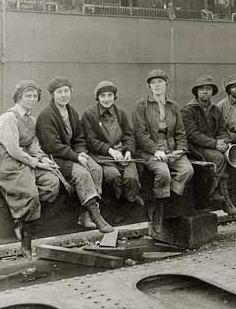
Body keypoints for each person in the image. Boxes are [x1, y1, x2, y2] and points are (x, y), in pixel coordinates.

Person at [0, 80, 60, 258]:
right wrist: (37, 163)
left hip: (25, 158)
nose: (32, 99)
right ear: (19, 97)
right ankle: (25, 238)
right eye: (28, 96)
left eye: (35, 96)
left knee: (52, 183)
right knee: (30, 193)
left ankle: (23, 217)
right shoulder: (8, 118)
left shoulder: (30, 118)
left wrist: (43, 159)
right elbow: (13, 150)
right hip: (7, 162)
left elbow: (33, 144)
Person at [36, 77, 113, 233]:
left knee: (96, 168)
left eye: (66, 91)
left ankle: (85, 215)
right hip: (56, 158)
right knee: (82, 174)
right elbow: (53, 146)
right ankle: (97, 217)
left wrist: (82, 153)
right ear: (52, 94)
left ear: (71, 92)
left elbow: (79, 138)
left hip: (72, 155)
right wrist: (77, 158)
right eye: (59, 92)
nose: (63, 95)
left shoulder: (72, 112)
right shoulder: (46, 116)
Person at [133, 69, 194, 233]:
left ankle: (168, 202)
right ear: (149, 87)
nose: (157, 85)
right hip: (150, 149)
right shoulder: (141, 105)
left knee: (187, 170)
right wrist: (154, 150)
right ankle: (159, 209)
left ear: (166, 83)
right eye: (153, 83)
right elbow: (140, 133)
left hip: (172, 147)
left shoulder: (173, 106)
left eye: (160, 82)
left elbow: (181, 131)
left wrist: (181, 149)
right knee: (163, 173)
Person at [81, 81, 144, 224]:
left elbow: (128, 135)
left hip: (122, 153)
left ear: (114, 96)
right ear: (97, 97)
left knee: (131, 178)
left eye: (110, 95)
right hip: (102, 155)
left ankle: (127, 204)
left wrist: (128, 151)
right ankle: (113, 206)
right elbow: (91, 140)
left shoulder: (120, 113)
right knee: (112, 176)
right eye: (103, 95)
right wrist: (109, 150)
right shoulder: (89, 114)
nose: (107, 98)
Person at [181, 75, 236, 215]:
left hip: (213, 145)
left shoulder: (215, 109)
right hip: (195, 147)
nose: (205, 92)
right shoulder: (188, 110)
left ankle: (220, 194)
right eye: (201, 89)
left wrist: (224, 142)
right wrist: (215, 144)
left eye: (208, 89)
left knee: (232, 158)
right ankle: (217, 196)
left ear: (212, 92)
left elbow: (222, 129)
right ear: (196, 92)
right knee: (218, 158)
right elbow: (192, 134)